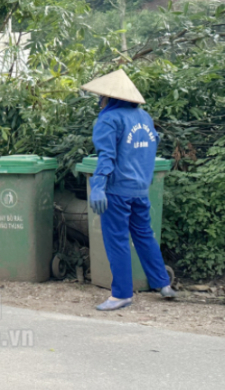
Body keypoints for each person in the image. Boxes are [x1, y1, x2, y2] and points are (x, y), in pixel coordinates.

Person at [81, 69, 177, 311]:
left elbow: (106, 156)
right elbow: (149, 150)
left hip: (116, 191)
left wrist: (99, 187)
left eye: (101, 96)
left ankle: (121, 294)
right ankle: (163, 285)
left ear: (109, 98)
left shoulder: (108, 119)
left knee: (117, 241)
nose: (99, 100)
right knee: (144, 235)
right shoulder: (144, 117)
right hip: (141, 189)